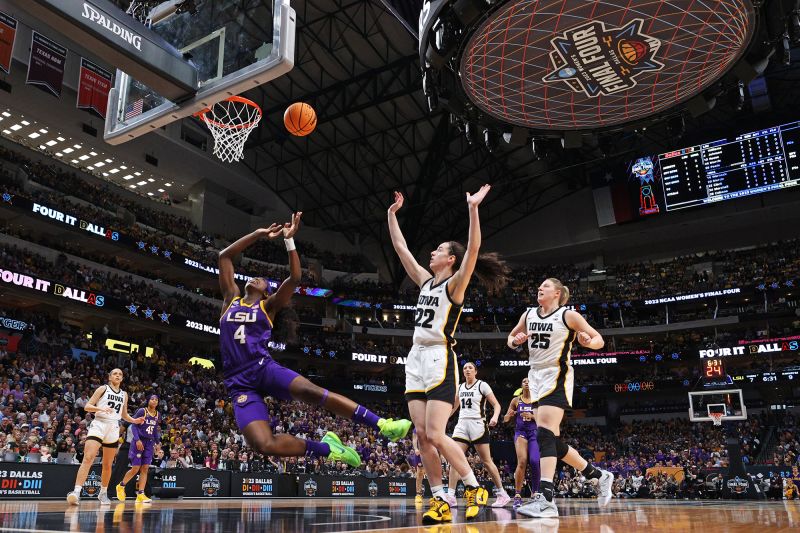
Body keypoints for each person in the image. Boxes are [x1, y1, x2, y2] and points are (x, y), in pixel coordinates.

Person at [217, 213, 411, 468]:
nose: (255, 278)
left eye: (262, 280)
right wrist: (258, 234)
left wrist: (289, 242)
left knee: (312, 392)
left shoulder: (269, 306)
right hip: (238, 383)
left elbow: (295, 279)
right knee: (263, 445)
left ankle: (382, 424)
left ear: (267, 291)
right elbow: (224, 257)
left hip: (261, 367)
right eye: (253, 277)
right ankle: (327, 448)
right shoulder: (230, 299)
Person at [387, 186, 509, 524]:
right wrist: (391, 215)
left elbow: (474, 250)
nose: (432, 253)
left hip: (440, 357)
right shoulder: (425, 282)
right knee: (422, 435)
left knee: (438, 433)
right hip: (415, 359)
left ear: (450, 259)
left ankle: (472, 486)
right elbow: (400, 249)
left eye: (439, 250)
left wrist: (472, 209)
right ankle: (440, 498)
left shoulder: (454, 285)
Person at [507, 278, 613, 518]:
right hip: (534, 376)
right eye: (539, 286)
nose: (539, 288)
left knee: (543, 432)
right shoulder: (528, 315)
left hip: (557, 373)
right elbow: (510, 338)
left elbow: (599, 339)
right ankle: (597, 475)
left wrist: (588, 342)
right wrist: (516, 341)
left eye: (544, 286)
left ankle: (545, 499)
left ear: (557, 293)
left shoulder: (568, 315)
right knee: (550, 441)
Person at [66, 369, 143, 505]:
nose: (118, 376)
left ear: (122, 378)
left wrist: (134, 420)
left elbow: (124, 415)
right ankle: (76, 492)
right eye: (115, 374)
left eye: (120, 374)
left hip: (113, 427)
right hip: (99, 424)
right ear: (109, 377)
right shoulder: (103, 389)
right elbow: (88, 407)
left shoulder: (124, 394)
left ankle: (103, 493)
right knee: (88, 458)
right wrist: (101, 409)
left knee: (107, 464)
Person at [448, 362, 510, 507]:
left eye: (470, 368)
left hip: (478, 424)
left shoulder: (482, 385)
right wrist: (444, 418)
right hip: (462, 424)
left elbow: (497, 405)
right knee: (454, 459)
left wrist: (495, 417)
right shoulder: (460, 387)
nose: (467, 370)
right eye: (465, 368)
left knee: (487, 461)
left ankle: (502, 493)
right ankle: (451, 495)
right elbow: (455, 406)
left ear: (475, 371)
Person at [502, 377, 540, 508]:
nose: (527, 382)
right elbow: (506, 419)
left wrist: (532, 416)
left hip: (534, 433)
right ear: (521, 385)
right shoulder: (516, 400)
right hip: (521, 433)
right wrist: (508, 416)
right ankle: (517, 494)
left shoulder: (537, 400)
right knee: (522, 461)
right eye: (524, 381)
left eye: (529, 381)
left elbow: (544, 419)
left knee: (535, 461)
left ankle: (535, 493)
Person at [115, 394, 160, 503]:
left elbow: (154, 430)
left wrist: (157, 442)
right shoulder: (142, 411)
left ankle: (141, 494)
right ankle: (121, 486)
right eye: (152, 399)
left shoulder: (158, 414)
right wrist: (137, 439)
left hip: (149, 443)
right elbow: (134, 425)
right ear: (148, 400)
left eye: (156, 400)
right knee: (135, 468)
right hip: (138, 441)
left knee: (145, 468)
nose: (154, 401)